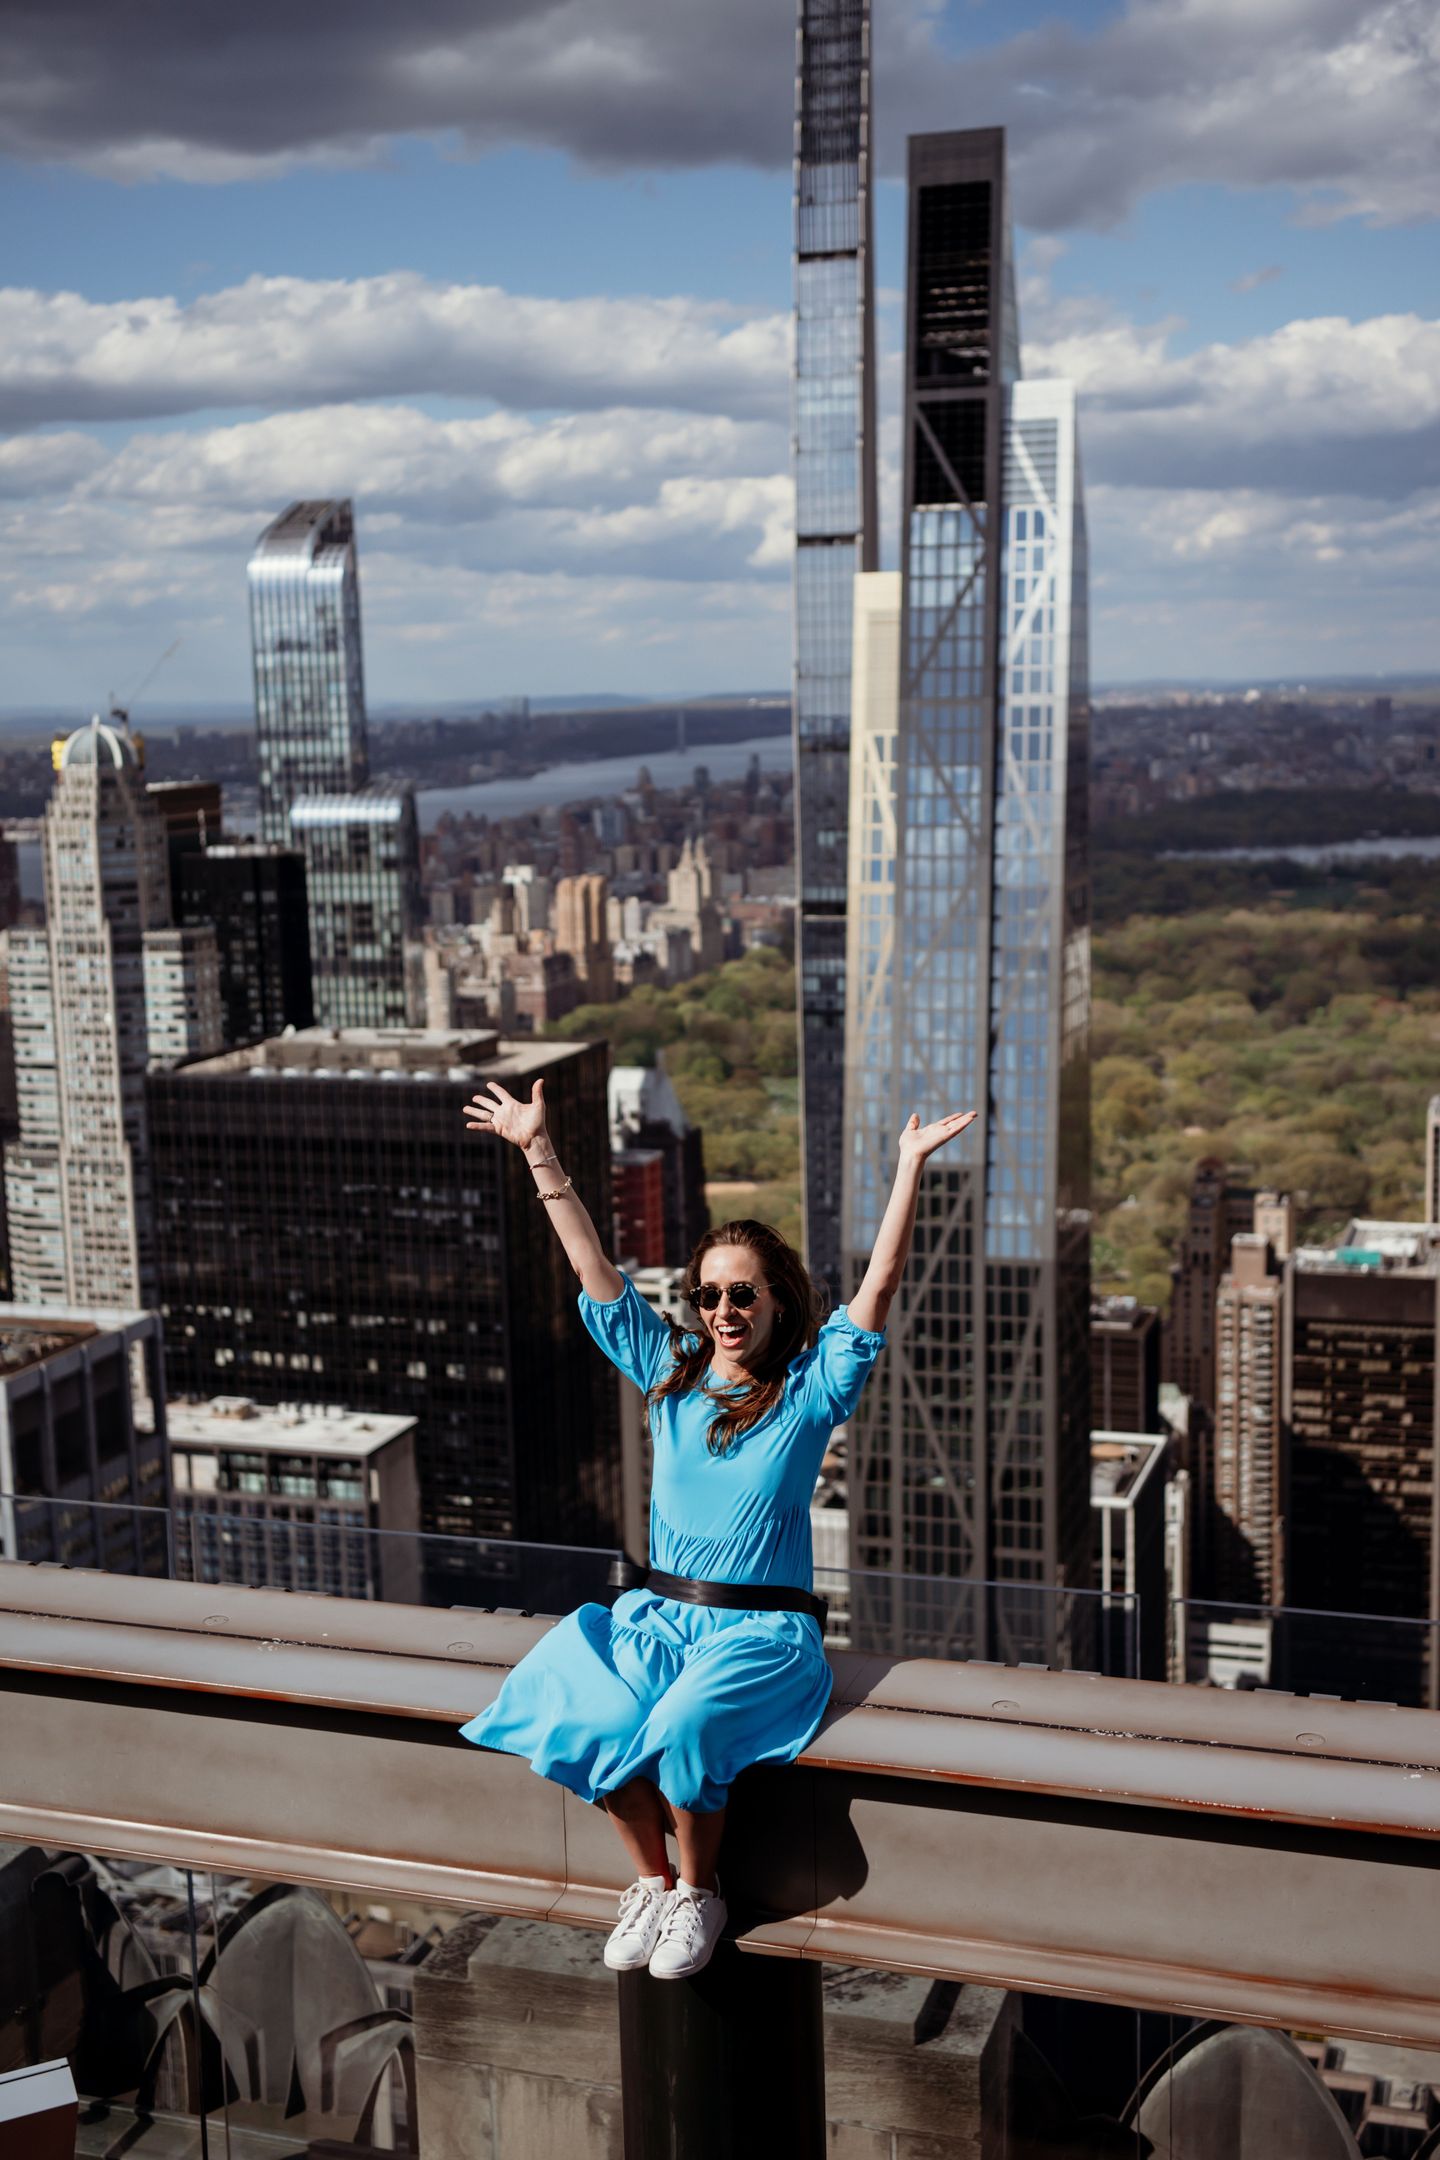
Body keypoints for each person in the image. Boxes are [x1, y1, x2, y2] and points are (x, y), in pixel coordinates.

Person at [458, 1073, 976, 1980]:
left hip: (761, 1632)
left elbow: (880, 1286)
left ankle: (699, 1892)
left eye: (743, 1296)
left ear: (778, 1301)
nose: (724, 1314)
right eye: (708, 1297)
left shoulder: (809, 1394)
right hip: (659, 1618)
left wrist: (907, 1168)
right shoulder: (669, 1377)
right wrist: (537, 1151)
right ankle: (653, 1884)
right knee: (587, 1715)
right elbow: (597, 1276)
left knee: (691, 1728)